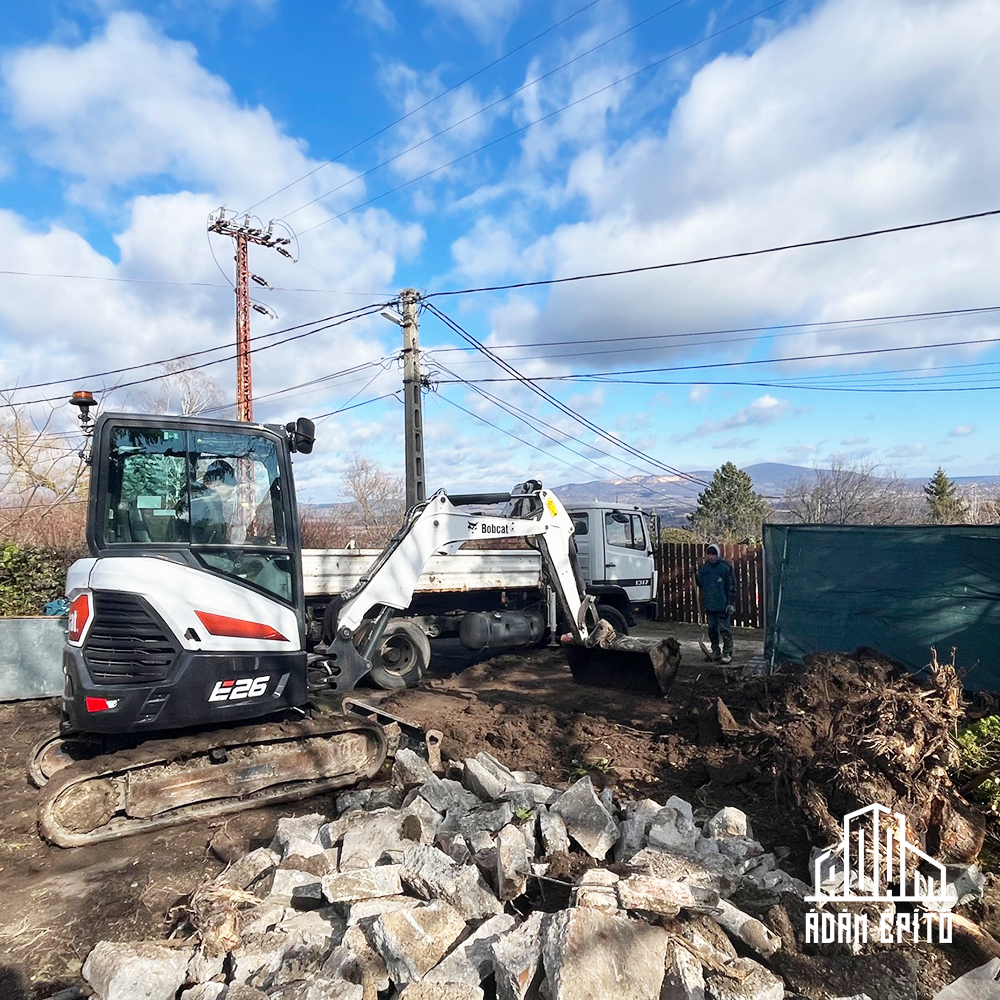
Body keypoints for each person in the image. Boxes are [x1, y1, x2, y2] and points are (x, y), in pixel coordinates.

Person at [696, 542, 736, 664]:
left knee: (724, 629)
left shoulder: (725, 567)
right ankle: (716, 651)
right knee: (712, 629)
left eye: (713, 554)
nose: (711, 557)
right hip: (710, 604)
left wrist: (730, 602)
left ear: (717, 554)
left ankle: (727, 652)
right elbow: (701, 583)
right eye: (709, 554)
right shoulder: (706, 568)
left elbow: (731, 586)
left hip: (722, 605)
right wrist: (696, 575)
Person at [189, 459, 236, 543]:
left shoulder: (213, 504)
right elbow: (198, 543)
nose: (230, 496)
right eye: (229, 491)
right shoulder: (199, 505)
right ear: (215, 484)